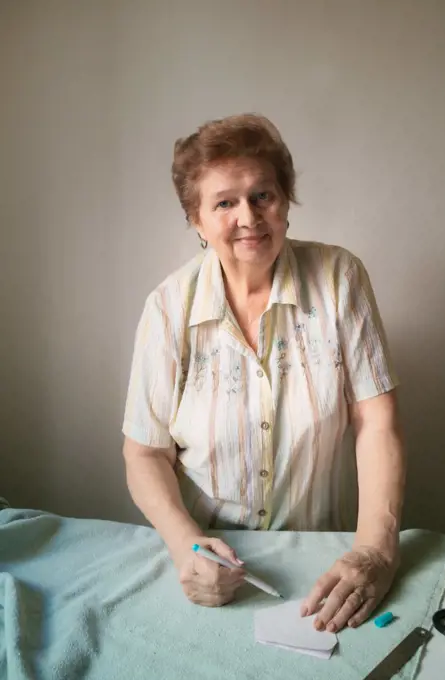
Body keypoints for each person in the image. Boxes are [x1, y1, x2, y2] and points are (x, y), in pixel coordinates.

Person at [122, 113, 406, 634]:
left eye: (263, 196)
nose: (248, 217)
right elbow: (144, 452)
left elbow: (377, 423)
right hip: (212, 562)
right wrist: (186, 545)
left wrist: (375, 551)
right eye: (224, 202)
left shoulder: (340, 278)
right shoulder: (167, 308)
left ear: (286, 203)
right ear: (196, 220)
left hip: (327, 558)